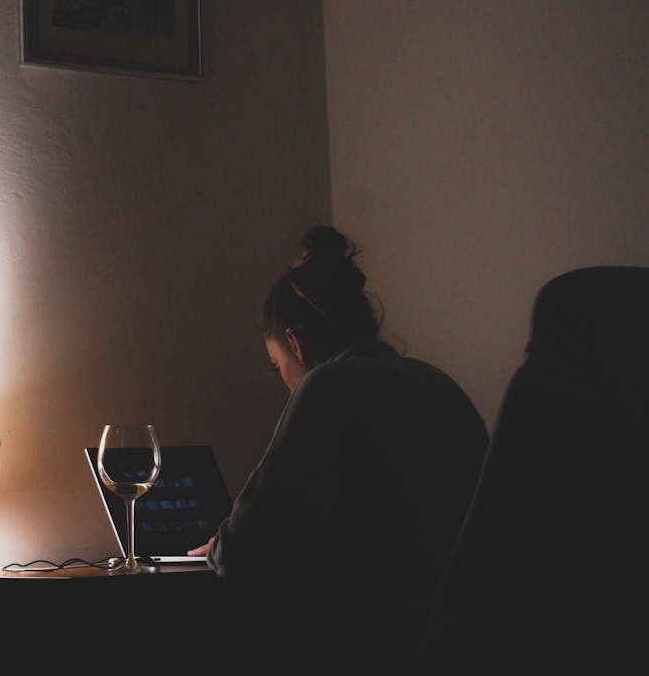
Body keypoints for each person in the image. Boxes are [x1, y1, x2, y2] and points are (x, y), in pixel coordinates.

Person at [188, 224, 489, 658]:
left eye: (278, 367)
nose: (285, 383)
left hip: (374, 638)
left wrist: (217, 545)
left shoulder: (329, 384)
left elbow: (244, 550)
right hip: (459, 638)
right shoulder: (436, 381)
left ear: (294, 340)